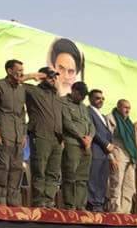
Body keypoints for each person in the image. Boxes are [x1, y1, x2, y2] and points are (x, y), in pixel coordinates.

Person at [24, 67, 64, 207]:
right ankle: (39, 201)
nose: (53, 79)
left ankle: (49, 200)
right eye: (50, 76)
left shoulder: (57, 96)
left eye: (55, 77)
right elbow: (15, 81)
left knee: (53, 173)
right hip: (40, 135)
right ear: (42, 77)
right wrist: (32, 75)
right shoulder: (34, 91)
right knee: (39, 169)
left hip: (57, 139)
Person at [0, 60, 30, 206]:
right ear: (9, 71)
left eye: (22, 70)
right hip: (3, 131)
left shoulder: (21, 89)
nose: (21, 73)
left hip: (18, 134)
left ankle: (13, 200)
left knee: (17, 168)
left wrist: (24, 133)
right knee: (3, 167)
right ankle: (0, 199)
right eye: (18, 70)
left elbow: (22, 113)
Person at [59, 81, 94, 210]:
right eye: (81, 95)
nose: (82, 98)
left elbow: (91, 125)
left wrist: (89, 137)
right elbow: (67, 123)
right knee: (70, 175)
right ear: (73, 90)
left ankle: (80, 205)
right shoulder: (63, 102)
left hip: (86, 146)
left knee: (82, 178)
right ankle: (69, 205)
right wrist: (81, 138)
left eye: (84, 96)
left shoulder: (84, 107)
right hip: (72, 143)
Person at [105, 99, 137, 213]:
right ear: (118, 107)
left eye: (129, 108)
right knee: (116, 183)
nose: (127, 110)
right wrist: (111, 157)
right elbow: (107, 138)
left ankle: (126, 211)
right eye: (125, 107)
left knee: (129, 186)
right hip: (117, 153)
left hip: (130, 156)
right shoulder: (111, 118)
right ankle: (115, 210)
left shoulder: (129, 123)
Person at [86, 89, 114, 212]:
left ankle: (99, 203)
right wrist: (106, 144)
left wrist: (110, 146)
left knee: (102, 179)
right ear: (90, 99)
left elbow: (107, 133)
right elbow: (93, 130)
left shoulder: (102, 116)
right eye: (97, 98)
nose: (100, 100)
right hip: (96, 149)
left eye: (102, 99)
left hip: (105, 153)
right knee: (93, 178)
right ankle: (92, 204)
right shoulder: (88, 111)